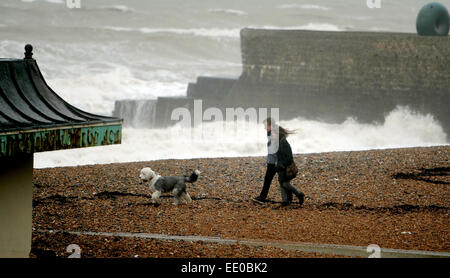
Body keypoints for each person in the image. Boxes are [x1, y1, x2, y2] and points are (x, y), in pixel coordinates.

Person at [253, 117, 304, 207]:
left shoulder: (278, 136)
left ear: (270, 125)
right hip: (273, 162)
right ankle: (282, 200)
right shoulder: (271, 133)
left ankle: (293, 197)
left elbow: (281, 151)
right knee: (274, 181)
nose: (264, 128)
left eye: (265, 126)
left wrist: (279, 163)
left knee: (283, 182)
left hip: (278, 163)